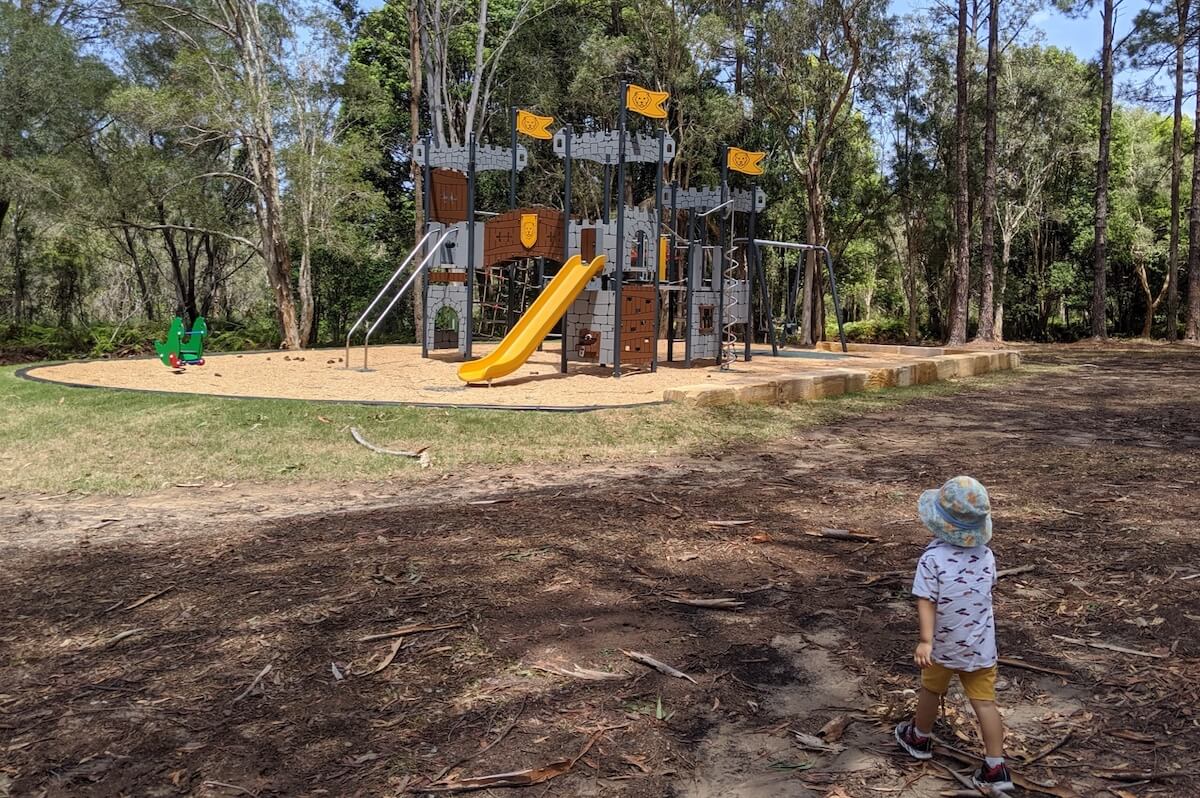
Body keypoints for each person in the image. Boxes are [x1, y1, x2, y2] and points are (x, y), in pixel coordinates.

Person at [893, 476, 1013, 793]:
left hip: (943, 647)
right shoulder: (986, 556)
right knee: (985, 703)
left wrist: (926, 640)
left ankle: (919, 738)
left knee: (931, 692)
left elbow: (926, 601)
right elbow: (986, 591)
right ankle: (995, 767)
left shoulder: (932, 559)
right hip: (981, 646)